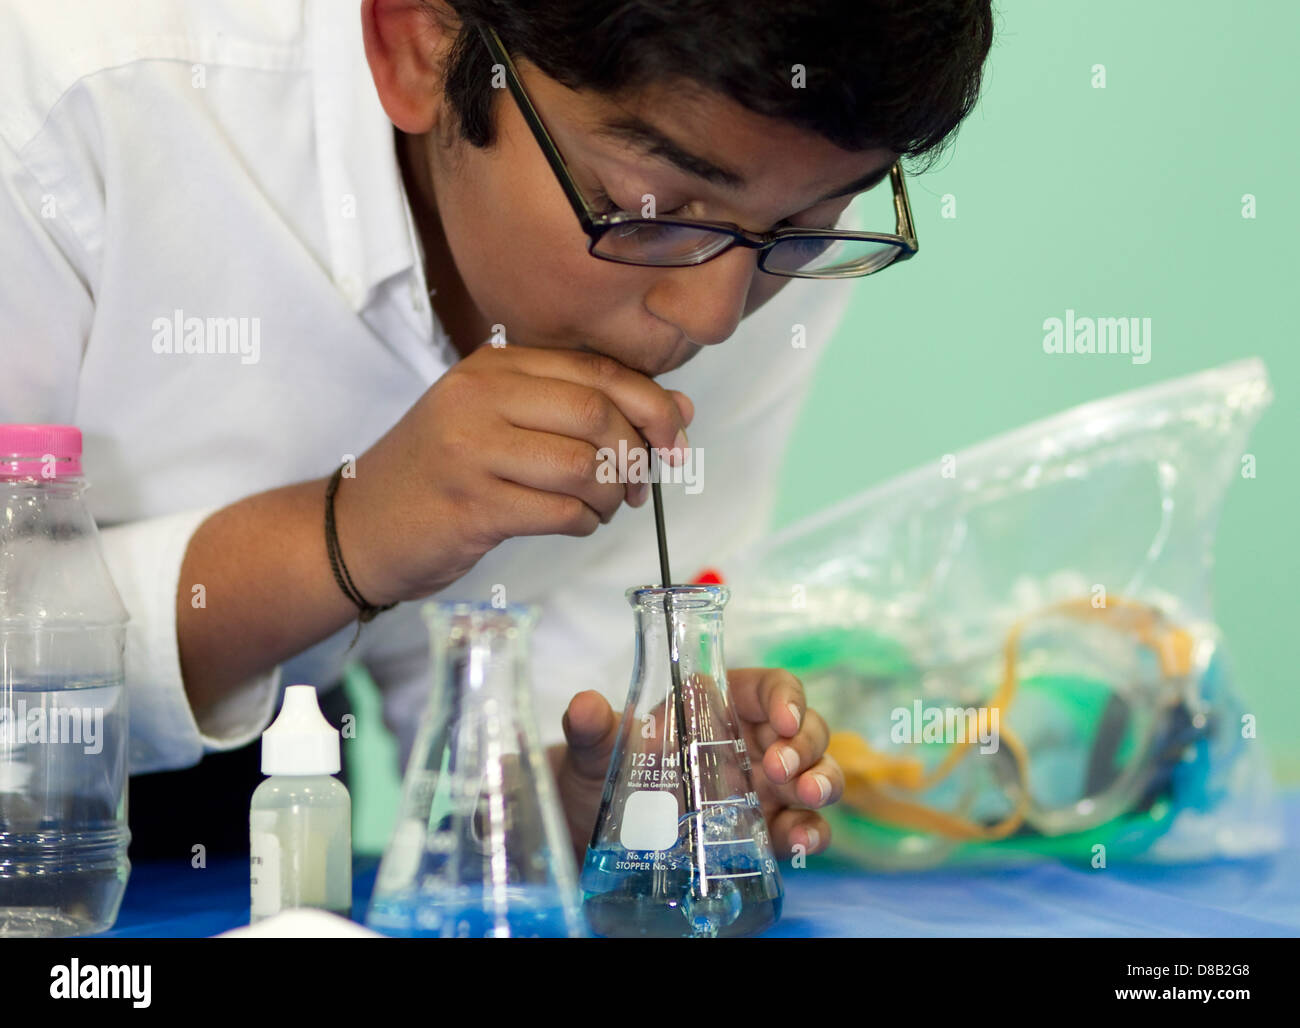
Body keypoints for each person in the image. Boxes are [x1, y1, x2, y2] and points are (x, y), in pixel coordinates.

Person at [0, 0, 994, 861]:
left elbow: (539, 708)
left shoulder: (748, 218)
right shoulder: (68, 93)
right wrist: (345, 534)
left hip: (256, 816)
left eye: (810, 228)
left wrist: (583, 794)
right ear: (422, 46)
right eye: (644, 211)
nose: (713, 318)